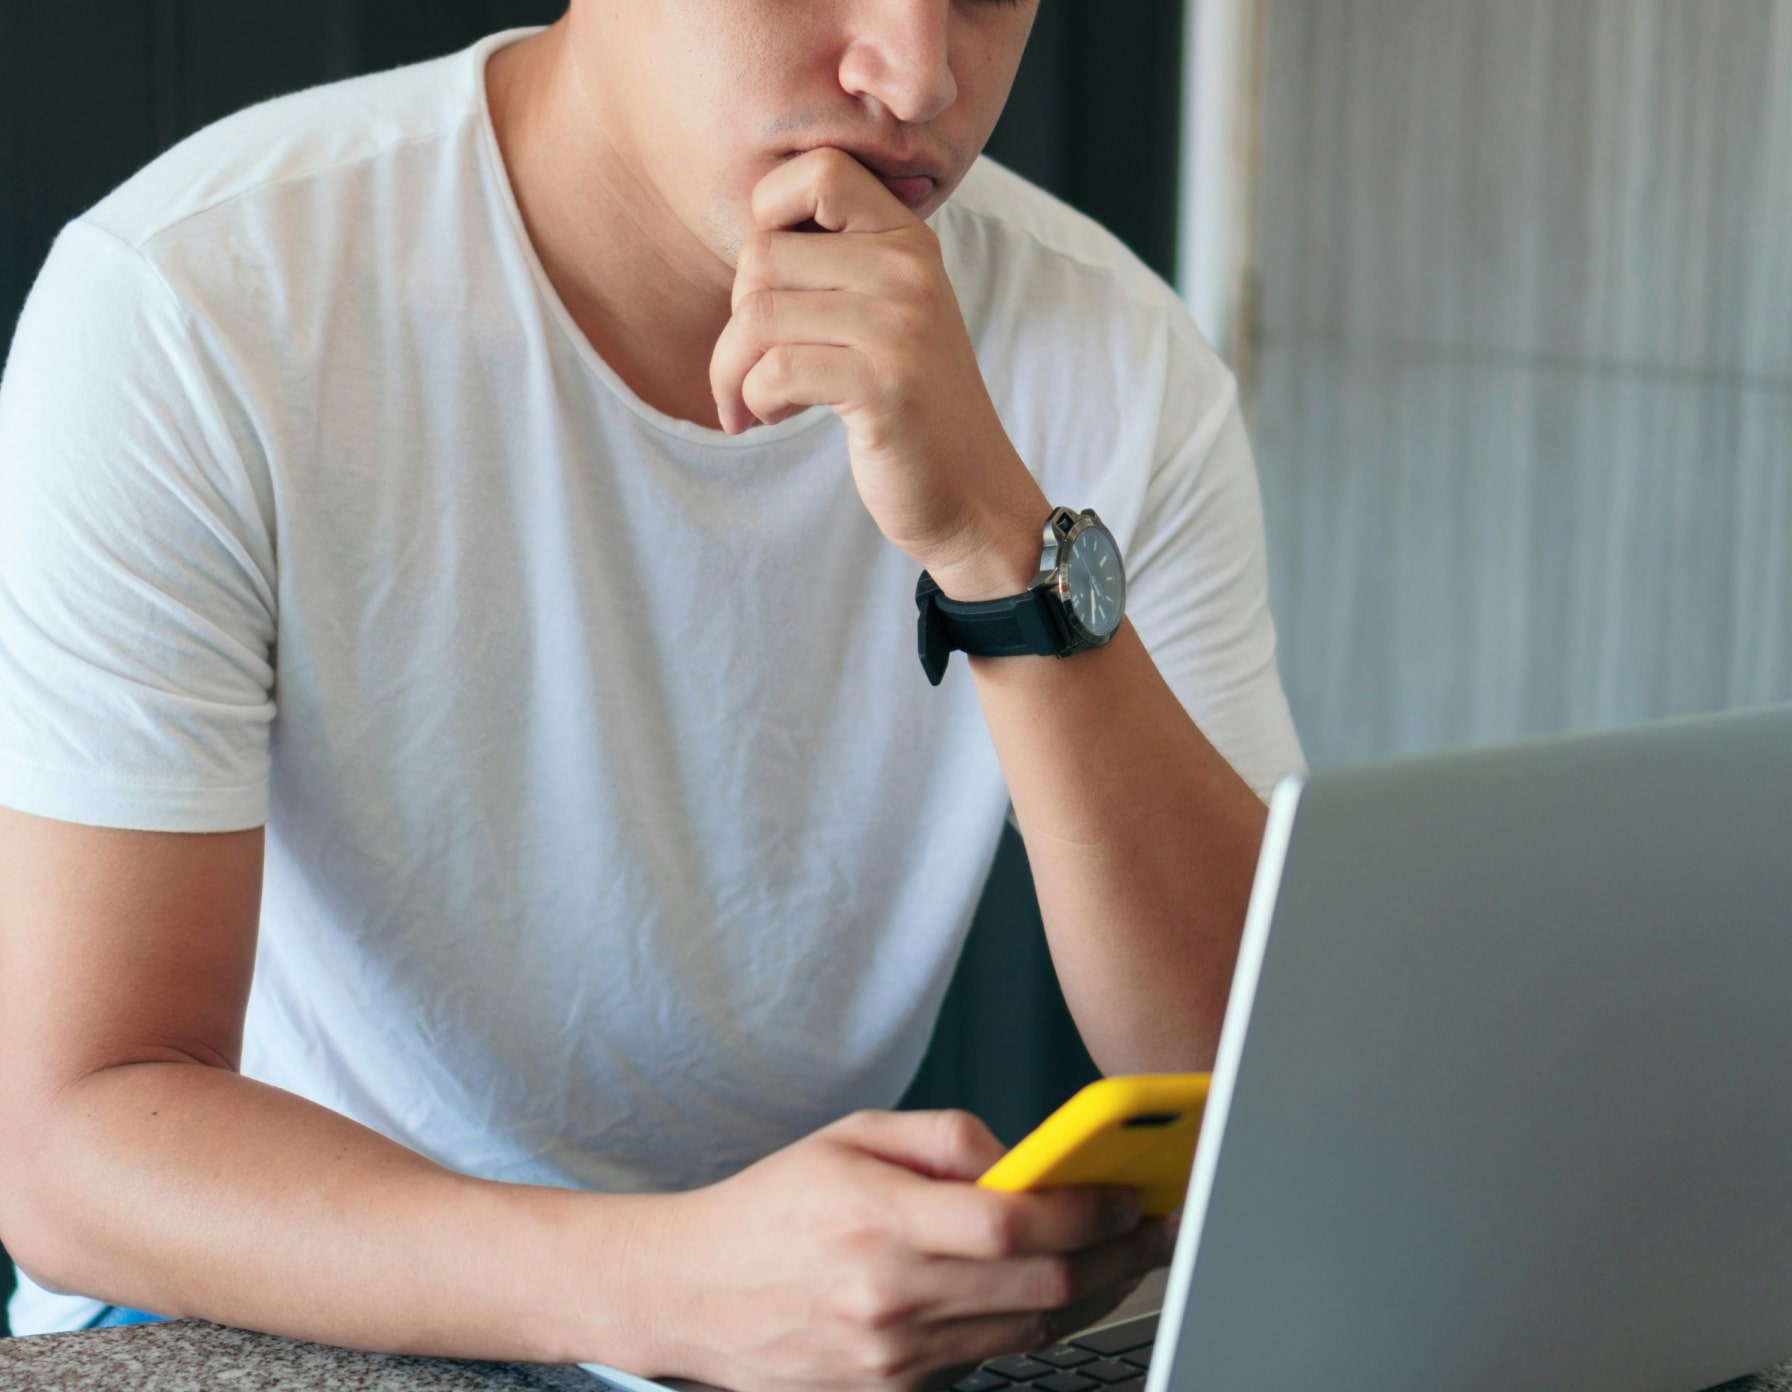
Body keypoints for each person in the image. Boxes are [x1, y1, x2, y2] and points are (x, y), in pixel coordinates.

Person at [0, 0, 1302, 1381]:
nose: (918, 74)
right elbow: (68, 1140)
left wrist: (997, 544)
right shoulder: (197, 296)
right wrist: (664, 1286)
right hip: (254, 1304)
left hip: (779, 1330)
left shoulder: (1118, 354)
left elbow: (1261, 1079)